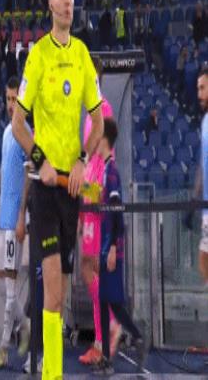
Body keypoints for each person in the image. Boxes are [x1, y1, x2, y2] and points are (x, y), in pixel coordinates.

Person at [12, 0, 104, 380]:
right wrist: (42, 160)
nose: (68, 1)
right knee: (51, 287)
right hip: (46, 190)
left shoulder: (82, 54)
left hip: (72, 189)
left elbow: (98, 121)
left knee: (61, 293)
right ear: (49, 3)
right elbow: (18, 123)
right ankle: (52, 375)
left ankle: (51, 368)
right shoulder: (38, 55)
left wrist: (83, 159)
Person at [0, 77, 31, 370]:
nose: (12, 104)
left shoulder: (26, 133)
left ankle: (3, 347)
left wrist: (23, 214)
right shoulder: (5, 132)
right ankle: (25, 325)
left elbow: (29, 176)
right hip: (2, 218)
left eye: (16, 99)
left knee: (11, 288)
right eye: (9, 99)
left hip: (15, 221)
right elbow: (3, 171)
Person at [92, 118, 146, 375]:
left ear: (104, 138)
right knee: (105, 301)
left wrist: (113, 246)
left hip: (111, 248)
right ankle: (107, 356)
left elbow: (116, 212)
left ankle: (137, 337)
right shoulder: (106, 170)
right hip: (106, 247)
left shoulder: (111, 172)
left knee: (112, 302)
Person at [78, 56, 121, 366]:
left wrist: (96, 196)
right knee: (90, 265)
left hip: (97, 195)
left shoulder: (103, 109)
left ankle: (110, 326)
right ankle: (100, 339)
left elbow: (106, 158)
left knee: (89, 266)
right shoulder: (90, 114)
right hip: (89, 196)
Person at [197, 66, 208, 285]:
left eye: (203, 88)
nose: (199, 93)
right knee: (204, 260)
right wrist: (195, 193)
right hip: (206, 207)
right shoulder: (205, 120)